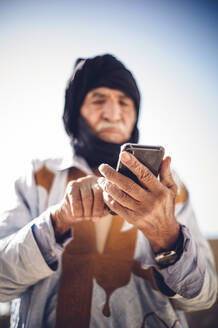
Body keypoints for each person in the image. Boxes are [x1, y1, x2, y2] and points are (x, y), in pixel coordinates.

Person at [0, 54, 216, 328]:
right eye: (98, 100)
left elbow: (203, 297)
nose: (113, 113)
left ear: (136, 113)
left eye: (124, 102)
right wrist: (58, 220)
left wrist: (167, 236)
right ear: (76, 110)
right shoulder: (38, 177)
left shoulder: (170, 188)